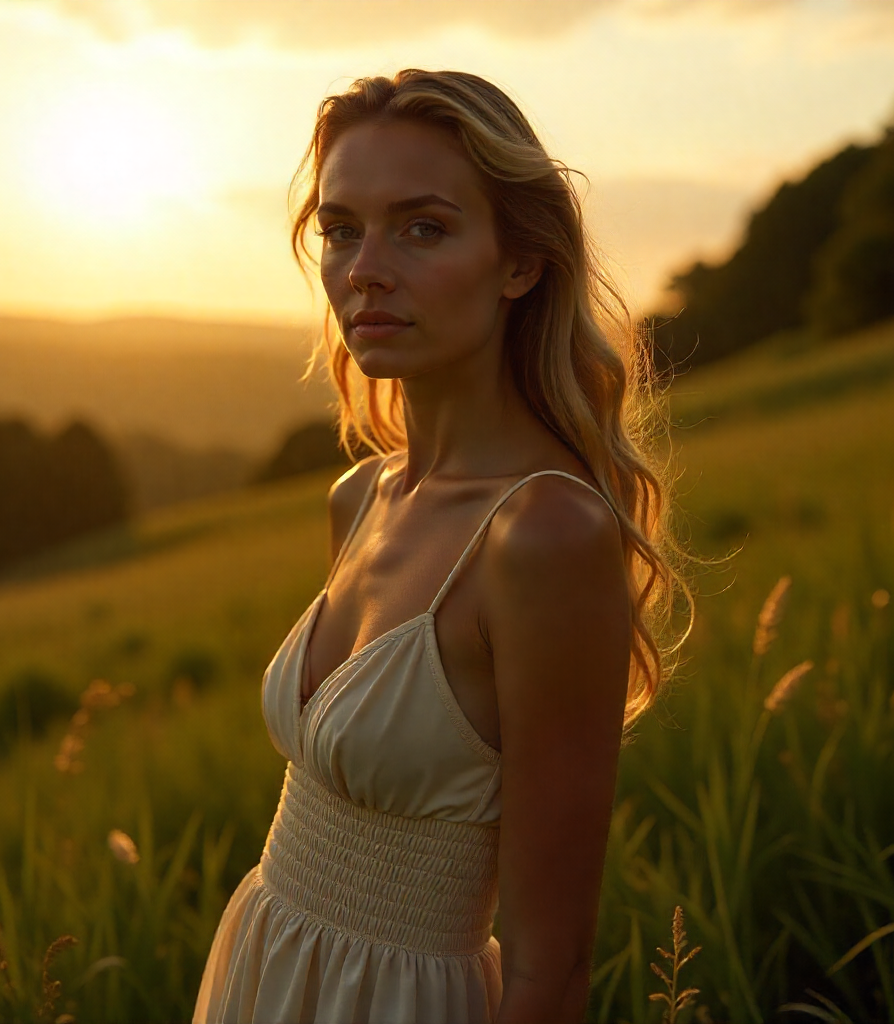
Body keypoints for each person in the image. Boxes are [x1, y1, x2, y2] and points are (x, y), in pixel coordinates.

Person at [194, 69, 686, 1024]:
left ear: (520, 261)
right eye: (341, 229)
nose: (364, 268)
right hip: (265, 965)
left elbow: (553, 968)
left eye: (422, 227)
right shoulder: (361, 497)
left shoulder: (545, 535)